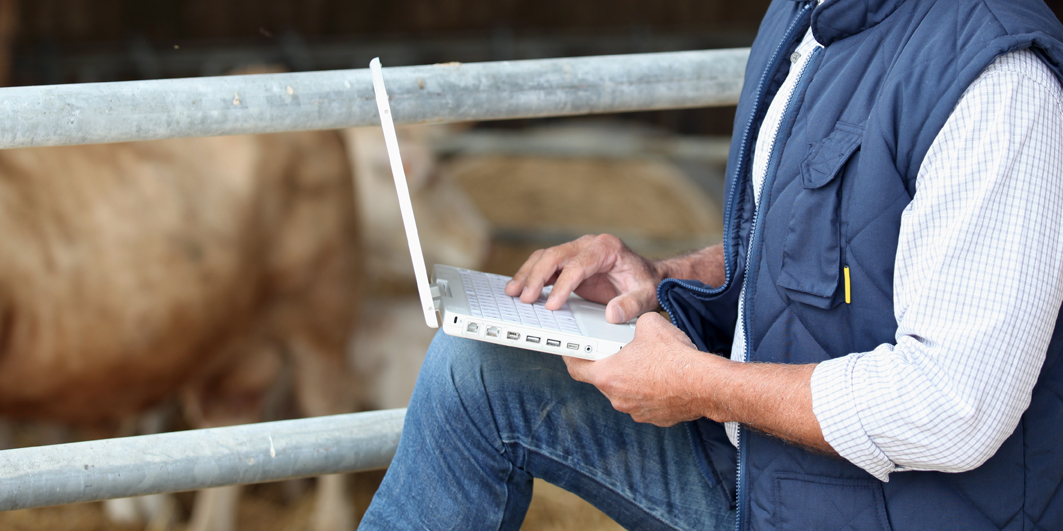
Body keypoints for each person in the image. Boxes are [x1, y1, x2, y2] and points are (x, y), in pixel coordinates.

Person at [361, 0, 1063, 529]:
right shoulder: (811, 19)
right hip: (762, 468)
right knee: (479, 368)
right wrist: (665, 277)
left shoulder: (998, 84)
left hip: (888, 509)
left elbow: (953, 406)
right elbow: (828, 243)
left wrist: (702, 385)